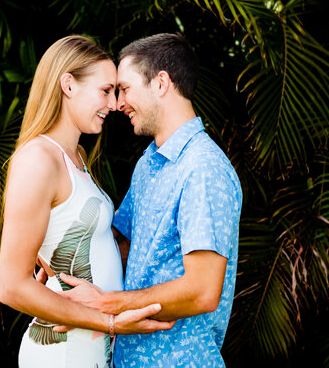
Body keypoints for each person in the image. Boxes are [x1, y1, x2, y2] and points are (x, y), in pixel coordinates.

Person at [57, 33, 242, 367]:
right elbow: (121, 242)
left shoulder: (203, 168)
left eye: (125, 89)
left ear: (161, 83)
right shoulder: (150, 161)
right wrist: (55, 254)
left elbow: (202, 290)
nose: (117, 103)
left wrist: (108, 304)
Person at [0, 35, 174, 368]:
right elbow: (11, 286)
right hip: (62, 352)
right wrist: (110, 322)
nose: (113, 104)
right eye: (105, 91)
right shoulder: (39, 159)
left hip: (89, 350)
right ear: (68, 85)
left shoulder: (75, 156)